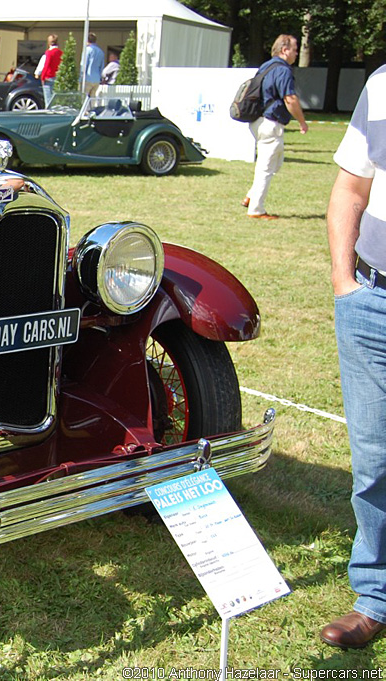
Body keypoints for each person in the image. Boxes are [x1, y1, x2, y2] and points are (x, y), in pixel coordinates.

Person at [320, 64, 386, 651]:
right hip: (372, 299)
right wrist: (345, 283)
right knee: (373, 458)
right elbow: (351, 187)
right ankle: (375, 596)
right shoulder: (383, 83)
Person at [241, 34, 308, 219]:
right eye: (295, 50)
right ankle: (256, 209)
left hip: (258, 122)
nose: (296, 54)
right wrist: (302, 122)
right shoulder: (283, 70)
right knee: (267, 167)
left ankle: (250, 196)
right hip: (271, 123)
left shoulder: (266, 66)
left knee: (274, 163)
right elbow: (290, 99)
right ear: (284, 50)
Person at [34, 35, 62, 106]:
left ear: (49, 43)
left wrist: (40, 75)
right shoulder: (61, 53)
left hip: (48, 77)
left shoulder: (48, 53)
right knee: (56, 100)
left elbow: (44, 65)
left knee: (48, 100)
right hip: (58, 78)